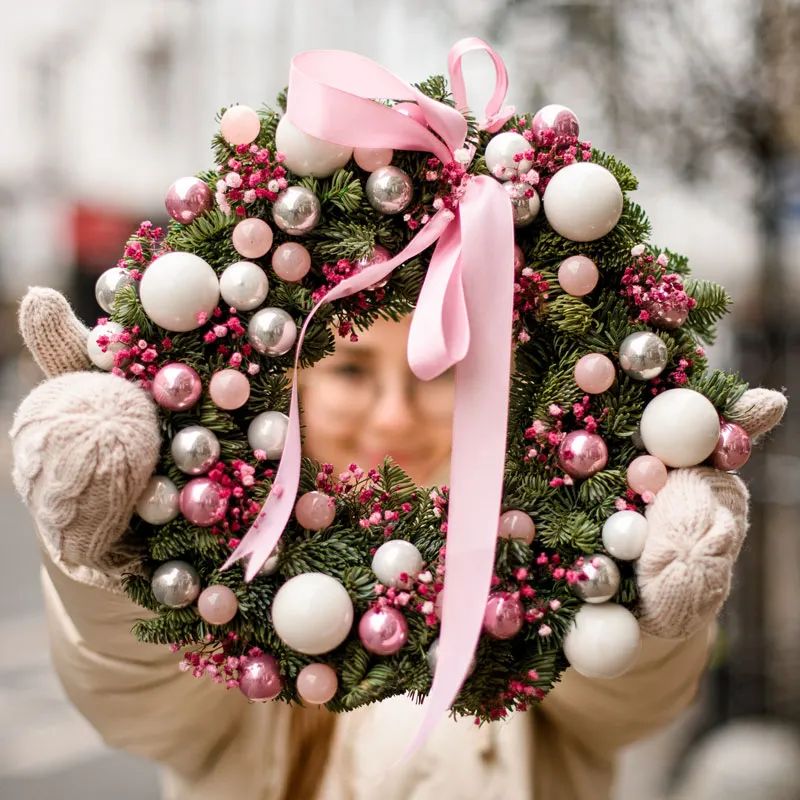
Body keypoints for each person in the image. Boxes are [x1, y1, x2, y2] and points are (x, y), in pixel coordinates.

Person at [10, 287, 787, 800]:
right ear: (291, 386)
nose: (392, 418)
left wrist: (645, 591)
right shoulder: (227, 582)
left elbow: (628, 696)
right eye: (350, 366)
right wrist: (113, 551)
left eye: (437, 373)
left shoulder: (551, 560)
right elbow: (135, 690)